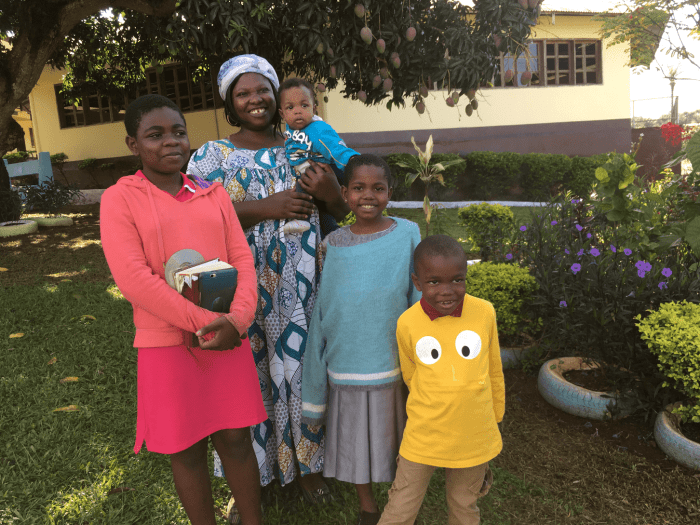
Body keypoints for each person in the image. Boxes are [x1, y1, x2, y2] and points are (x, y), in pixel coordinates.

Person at [186, 54, 349, 516]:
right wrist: (265, 207)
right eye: (243, 93)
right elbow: (193, 217)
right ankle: (252, 478)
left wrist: (332, 194)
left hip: (304, 285)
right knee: (250, 375)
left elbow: (341, 209)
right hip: (243, 288)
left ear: (277, 97)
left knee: (305, 370)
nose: (254, 100)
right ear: (229, 102)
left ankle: (310, 466)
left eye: (263, 90)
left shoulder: (305, 145)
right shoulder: (212, 156)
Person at [100, 94, 267, 525]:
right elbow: (134, 279)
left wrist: (237, 320)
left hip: (227, 338)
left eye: (178, 131)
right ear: (133, 144)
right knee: (186, 449)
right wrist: (211, 324)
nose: (170, 141)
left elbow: (242, 259)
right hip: (168, 343)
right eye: (155, 135)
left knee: (236, 440)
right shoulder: (120, 199)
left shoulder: (213, 194)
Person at [301, 154, 421, 525]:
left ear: (390, 193)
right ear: (344, 194)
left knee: (402, 443)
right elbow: (327, 304)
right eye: (358, 188)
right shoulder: (333, 244)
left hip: (392, 362)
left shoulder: (408, 234)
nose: (368, 196)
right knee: (356, 448)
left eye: (377, 188)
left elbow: (417, 297)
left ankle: (401, 507)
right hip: (347, 362)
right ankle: (368, 508)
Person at [377, 235, 505, 525]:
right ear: (417, 282)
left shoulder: (484, 312)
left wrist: (496, 417)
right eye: (434, 282)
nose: (447, 291)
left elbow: (494, 369)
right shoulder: (407, 323)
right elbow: (411, 376)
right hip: (424, 435)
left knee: (464, 506)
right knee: (400, 506)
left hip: (474, 435)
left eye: (457, 280)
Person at [277, 77, 358, 235]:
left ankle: (299, 219)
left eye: (304, 105)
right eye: (290, 107)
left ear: (314, 109)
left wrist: (353, 161)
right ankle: (330, 234)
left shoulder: (317, 129)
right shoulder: (292, 129)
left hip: (326, 171)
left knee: (303, 185)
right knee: (322, 212)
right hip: (312, 173)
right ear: (282, 113)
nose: (297, 111)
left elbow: (335, 148)